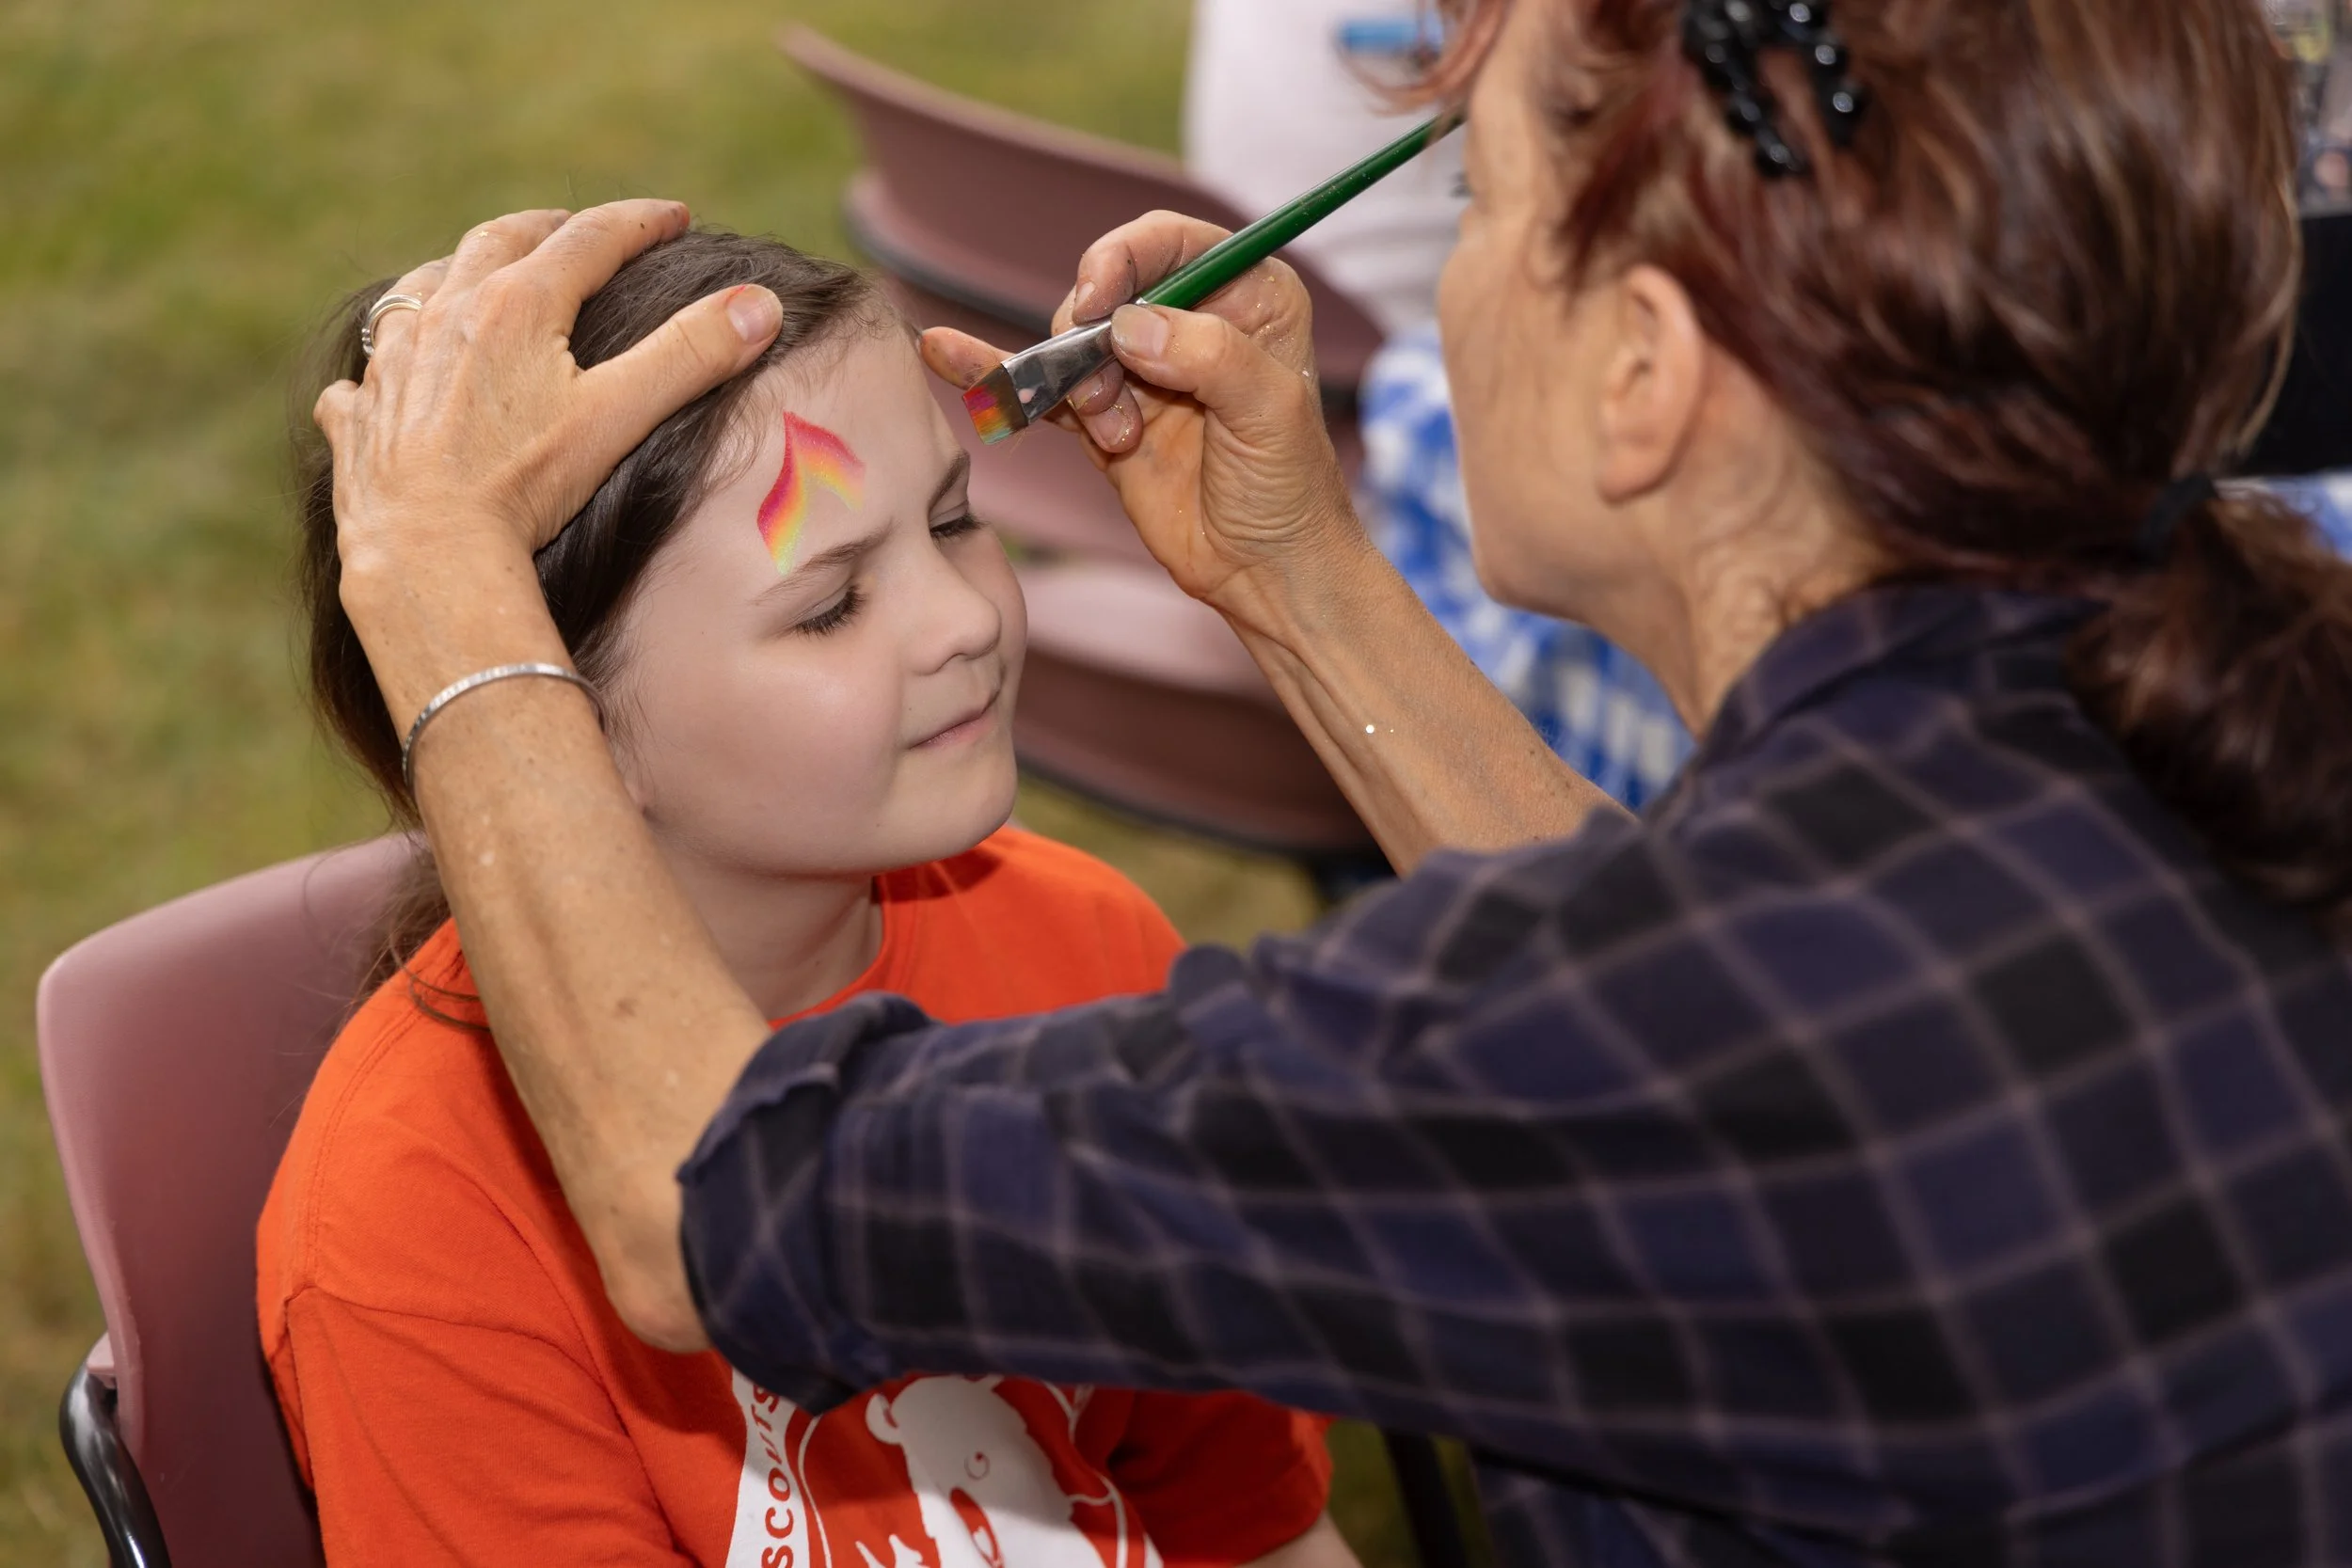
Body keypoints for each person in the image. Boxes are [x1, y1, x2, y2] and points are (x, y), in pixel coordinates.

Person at [308, 0, 2352, 1559]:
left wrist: (446, 596)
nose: (1439, 291)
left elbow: (710, 1206)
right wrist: (1293, 576)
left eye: (1478, 204)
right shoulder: (2169, 709)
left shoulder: (1667, 1030)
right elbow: (1687, 1033)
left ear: (1641, 367)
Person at [259, 230, 1351, 1568]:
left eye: (955, 520)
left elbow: (1246, 1518)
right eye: (831, 604)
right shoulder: (419, 1213)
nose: (958, 619)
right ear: (561, 723)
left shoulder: (1085, 945)